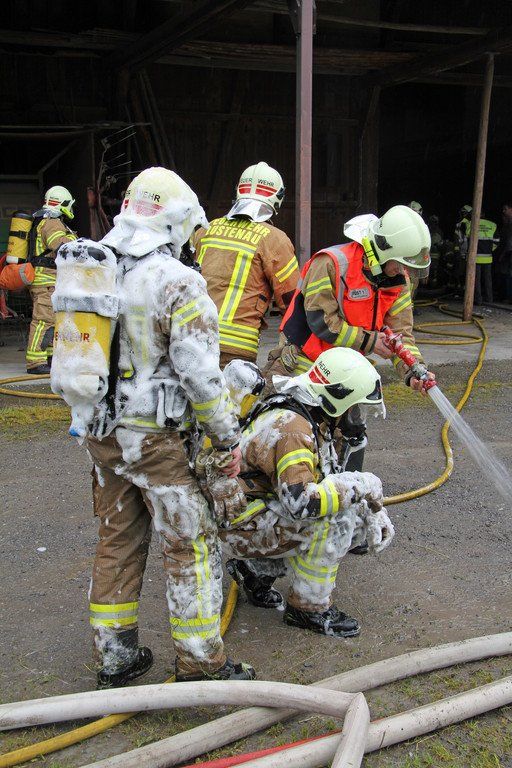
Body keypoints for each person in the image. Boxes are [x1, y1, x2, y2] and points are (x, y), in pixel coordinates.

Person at [54, 168, 255, 688]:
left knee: (117, 538)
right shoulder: (177, 280)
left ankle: (116, 655)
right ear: (178, 221)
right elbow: (200, 375)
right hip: (157, 442)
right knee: (190, 543)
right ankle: (201, 663)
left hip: (101, 432)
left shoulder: (93, 267)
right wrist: (227, 438)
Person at [216, 349, 394, 636]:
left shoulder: (308, 413)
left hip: (249, 513)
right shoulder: (294, 429)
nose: (358, 419)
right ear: (336, 398)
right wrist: (361, 485)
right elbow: (301, 503)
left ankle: (255, 570)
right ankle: (308, 608)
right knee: (337, 519)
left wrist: (373, 508)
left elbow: (326, 478)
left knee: (353, 511)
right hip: (234, 526)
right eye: (355, 409)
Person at [265, 205, 435, 479]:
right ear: (384, 250)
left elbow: (401, 335)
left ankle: (347, 491)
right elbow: (322, 322)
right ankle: (296, 492)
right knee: (294, 428)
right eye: (400, 263)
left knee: (352, 433)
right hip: (304, 361)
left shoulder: (398, 281)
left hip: (348, 368)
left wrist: (414, 370)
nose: (403, 270)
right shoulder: (331, 263)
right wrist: (371, 342)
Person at [192, 161, 299, 367]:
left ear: (239, 191)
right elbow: (291, 300)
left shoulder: (206, 230)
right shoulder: (274, 239)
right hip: (236, 348)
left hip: (193, 338)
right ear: (277, 197)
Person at [26, 186, 77, 374]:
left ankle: (48, 356)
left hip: (45, 281)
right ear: (63, 203)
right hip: (46, 281)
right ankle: (35, 361)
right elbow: (61, 246)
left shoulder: (42, 221)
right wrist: (77, 241)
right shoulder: (52, 222)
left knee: (51, 320)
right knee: (43, 321)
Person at [466, 211, 497, 305]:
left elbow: (467, 237)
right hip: (488, 257)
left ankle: (478, 300)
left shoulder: (471, 224)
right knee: (488, 279)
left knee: (476, 279)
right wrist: (489, 249)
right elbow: (497, 241)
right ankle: (489, 299)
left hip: (475, 257)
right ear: (484, 215)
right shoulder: (492, 225)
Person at [494, 201, 512, 302]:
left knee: (509, 275)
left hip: (508, 253)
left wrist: (503, 254)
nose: (503, 211)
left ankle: (508, 297)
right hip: (507, 252)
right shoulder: (507, 225)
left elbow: (509, 241)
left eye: (505, 209)